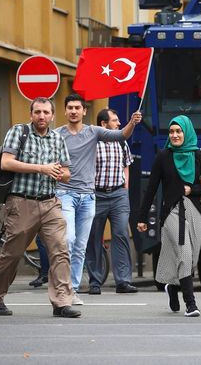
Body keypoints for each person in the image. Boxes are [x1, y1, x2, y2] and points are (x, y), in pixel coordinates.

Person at [0, 97, 80, 318]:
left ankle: (61, 303)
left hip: (50, 202)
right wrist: (41, 168)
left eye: (46, 112)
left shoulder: (57, 139)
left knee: (60, 250)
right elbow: (6, 162)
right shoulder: (19, 132)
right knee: (12, 254)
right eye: (37, 112)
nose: (42, 116)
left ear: (53, 116)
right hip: (21, 202)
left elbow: (67, 173)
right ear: (31, 114)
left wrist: (59, 173)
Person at [55, 93, 142, 305]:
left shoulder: (95, 133)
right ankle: (86, 282)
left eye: (78, 108)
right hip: (70, 193)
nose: (74, 111)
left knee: (98, 240)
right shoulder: (56, 135)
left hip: (96, 196)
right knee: (71, 239)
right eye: (70, 108)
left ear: (84, 111)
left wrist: (132, 122)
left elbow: (122, 136)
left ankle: (75, 289)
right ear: (65, 111)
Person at [136, 115, 201, 317]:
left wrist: (192, 190)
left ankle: (173, 287)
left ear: (187, 133)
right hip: (172, 212)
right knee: (184, 254)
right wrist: (141, 218)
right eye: (172, 132)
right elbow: (151, 188)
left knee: (192, 256)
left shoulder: (197, 156)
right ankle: (191, 304)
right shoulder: (163, 156)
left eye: (179, 131)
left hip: (195, 211)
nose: (175, 135)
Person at [86, 109, 138, 295]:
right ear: (103, 124)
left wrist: (125, 189)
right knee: (94, 238)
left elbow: (126, 165)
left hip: (118, 196)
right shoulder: (92, 142)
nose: (118, 124)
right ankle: (95, 281)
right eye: (115, 121)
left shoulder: (121, 142)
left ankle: (123, 281)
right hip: (96, 196)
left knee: (121, 234)